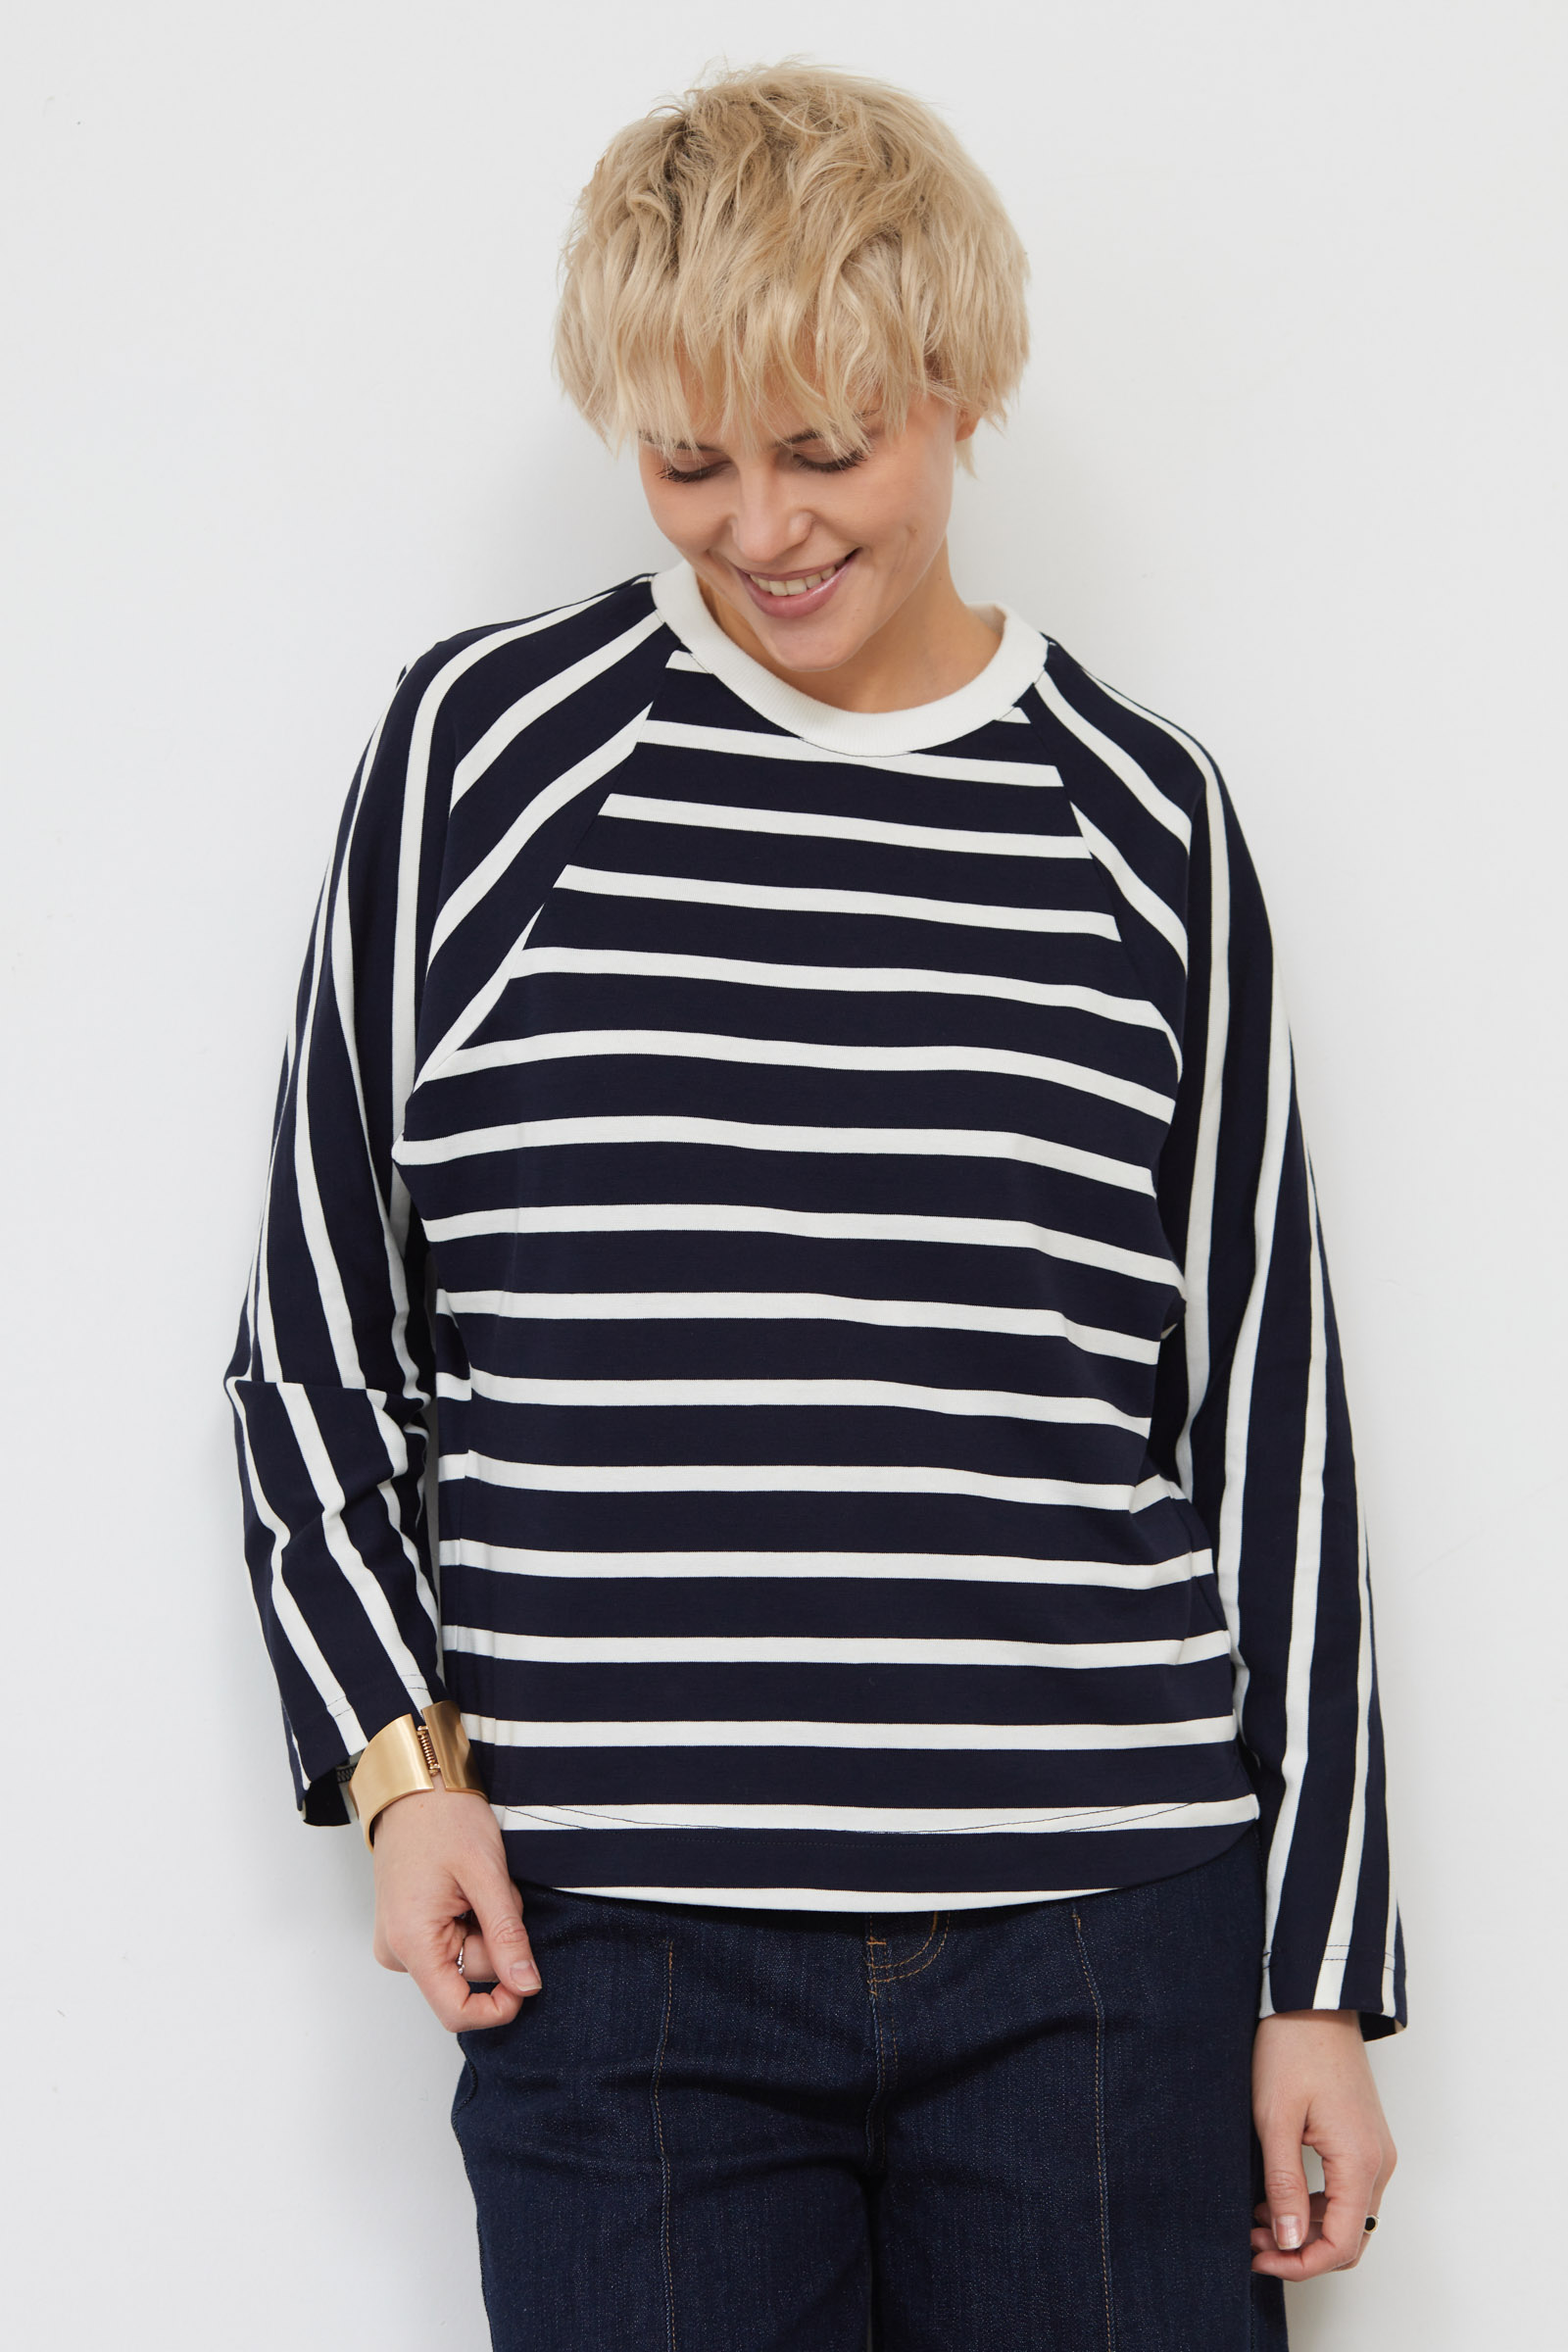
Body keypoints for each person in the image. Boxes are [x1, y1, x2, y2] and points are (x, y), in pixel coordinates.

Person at [225, 62, 1401, 2350]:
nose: (757, 528)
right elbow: (317, 1339)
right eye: (688, 462)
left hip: (1098, 1956)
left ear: (955, 387)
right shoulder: (483, 764)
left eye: (823, 448)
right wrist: (399, 1769)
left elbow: (1269, 1422)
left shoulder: (1144, 823)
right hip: (618, 1963)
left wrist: (1316, 1981)